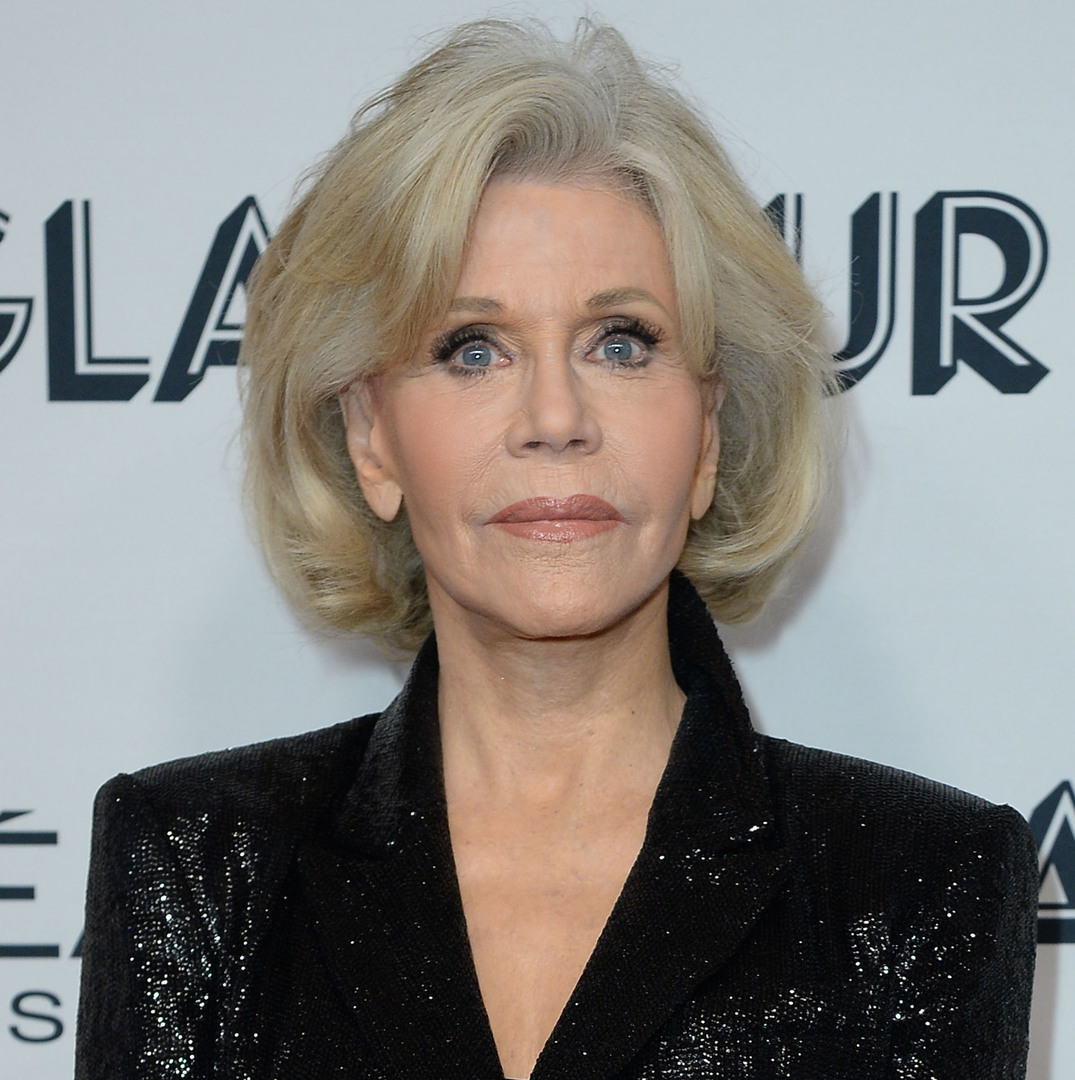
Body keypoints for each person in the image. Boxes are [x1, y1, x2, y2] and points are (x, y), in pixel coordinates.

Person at [75, 18, 1038, 1080]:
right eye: (471, 349)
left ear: (706, 434)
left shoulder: (918, 880)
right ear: (370, 437)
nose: (554, 418)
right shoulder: (199, 860)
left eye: (620, 344)